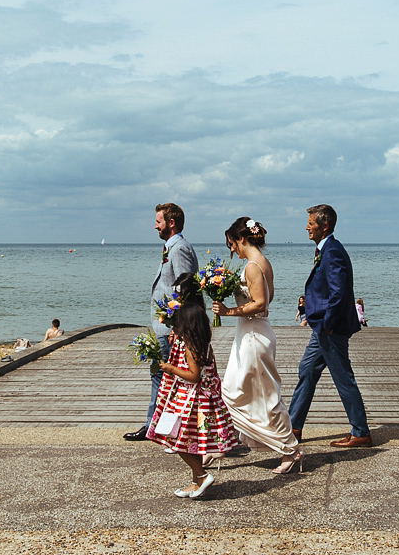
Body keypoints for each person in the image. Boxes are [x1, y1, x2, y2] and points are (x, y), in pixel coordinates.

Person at [212, 217, 304, 474]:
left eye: (232, 243)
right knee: (234, 390)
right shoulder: (263, 263)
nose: (231, 249)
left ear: (241, 238)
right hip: (252, 334)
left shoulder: (252, 267)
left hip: (253, 336)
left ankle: (290, 450)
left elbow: (260, 304)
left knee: (263, 395)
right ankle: (221, 444)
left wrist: (227, 311)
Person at [288, 204, 372, 448]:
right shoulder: (325, 249)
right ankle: (294, 426)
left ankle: (361, 431)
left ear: (324, 226)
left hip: (330, 327)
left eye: (310, 223)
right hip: (322, 326)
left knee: (343, 378)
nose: (306, 227)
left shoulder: (332, 250)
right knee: (307, 370)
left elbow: (338, 292)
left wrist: (327, 324)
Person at [146, 296, 239, 499]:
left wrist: (171, 369)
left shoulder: (191, 347)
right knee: (192, 442)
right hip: (204, 400)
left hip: (192, 401)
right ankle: (196, 482)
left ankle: (202, 475)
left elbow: (194, 376)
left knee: (178, 440)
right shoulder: (202, 343)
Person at [124, 202, 199, 442]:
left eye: (158, 221)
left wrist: (178, 327)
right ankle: (157, 426)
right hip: (165, 326)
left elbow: (185, 289)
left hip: (171, 328)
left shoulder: (178, 249)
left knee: (165, 377)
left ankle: (157, 427)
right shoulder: (171, 247)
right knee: (160, 376)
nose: (154, 226)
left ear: (171, 223)